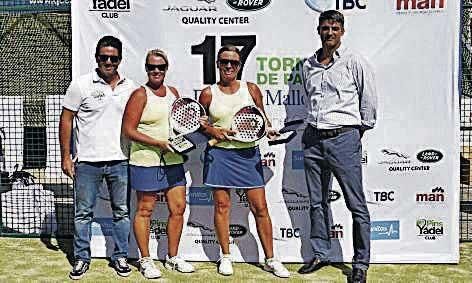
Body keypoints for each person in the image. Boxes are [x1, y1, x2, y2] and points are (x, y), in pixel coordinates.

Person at [297, 10, 377, 283]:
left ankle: (361, 263)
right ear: (318, 30)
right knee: (317, 202)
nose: (329, 32)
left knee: (356, 205)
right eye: (324, 28)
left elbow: (369, 101)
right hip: (313, 138)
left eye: (334, 28)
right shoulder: (308, 65)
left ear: (342, 31)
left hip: (344, 138)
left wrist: (355, 132)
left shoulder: (355, 61)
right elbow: (311, 99)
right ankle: (320, 252)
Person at [198, 45, 290, 278]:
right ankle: (226, 256)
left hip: (248, 156)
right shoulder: (208, 93)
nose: (229, 66)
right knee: (222, 207)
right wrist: (213, 130)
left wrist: (268, 129)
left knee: (260, 208)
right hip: (219, 156)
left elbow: (262, 117)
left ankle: (271, 259)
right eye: (224, 62)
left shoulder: (251, 89)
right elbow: (202, 125)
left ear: (240, 66)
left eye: (234, 63)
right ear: (217, 64)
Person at [59, 35, 136, 280]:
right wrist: (66, 156)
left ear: (120, 59)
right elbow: (66, 120)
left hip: (121, 160)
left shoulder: (131, 87)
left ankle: (121, 256)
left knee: (122, 212)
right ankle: (81, 259)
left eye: (113, 58)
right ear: (96, 58)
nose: (109, 62)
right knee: (83, 213)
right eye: (104, 57)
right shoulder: (81, 85)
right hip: (87, 162)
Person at [122, 49, 195, 279]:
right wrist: (157, 143)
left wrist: (197, 122)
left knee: (178, 209)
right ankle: (145, 260)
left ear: (166, 69)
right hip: (146, 162)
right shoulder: (139, 94)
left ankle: (172, 257)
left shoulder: (173, 92)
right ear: (146, 68)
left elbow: (181, 123)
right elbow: (128, 130)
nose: (156, 71)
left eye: (160, 67)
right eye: (152, 67)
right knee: (144, 211)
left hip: (173, 160)